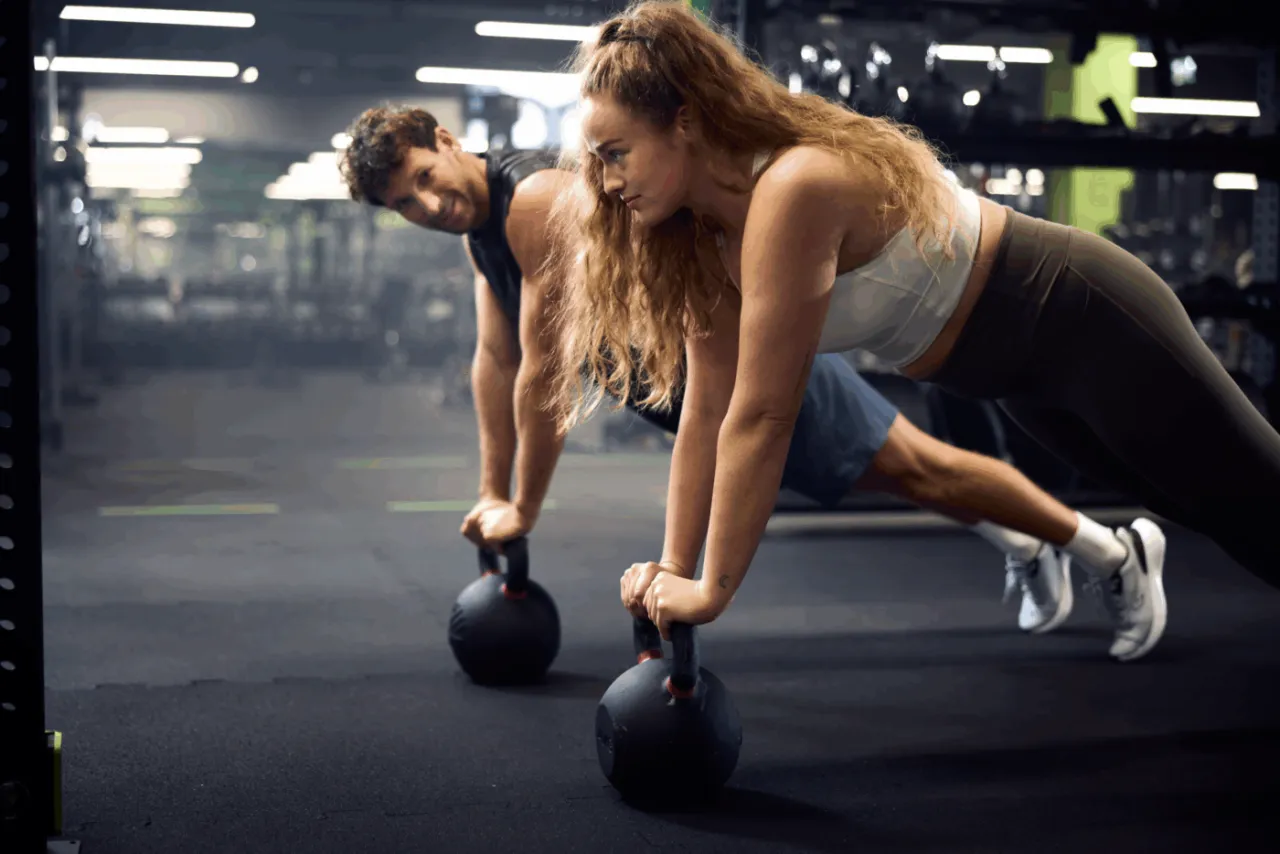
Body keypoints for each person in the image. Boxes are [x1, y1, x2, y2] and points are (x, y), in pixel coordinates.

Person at [550, 0, 1280, 659]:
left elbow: (765, 412)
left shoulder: (794, 187)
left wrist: (712, 589)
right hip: (1016, 379)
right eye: (595, 161)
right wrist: (674, 568)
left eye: (615, 153)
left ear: (684, 121)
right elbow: (707, 409)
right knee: (1204, 508)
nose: (607, 182)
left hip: (1081, 317)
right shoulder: (706, 241)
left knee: (1254, 496)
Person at [340, 104, 1163, 661]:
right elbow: (495, 363)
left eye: (421, 176)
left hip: (738, 376)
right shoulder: (483, 233)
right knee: (893, 476)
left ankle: (1113, 553)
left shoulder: (532, 205)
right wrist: (493, 492)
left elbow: (544, 374)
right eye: (403, 203)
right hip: (696, 391)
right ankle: (1025, 542)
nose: (427, 203)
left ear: (445, 141)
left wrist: (525, 507)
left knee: (918, 465)